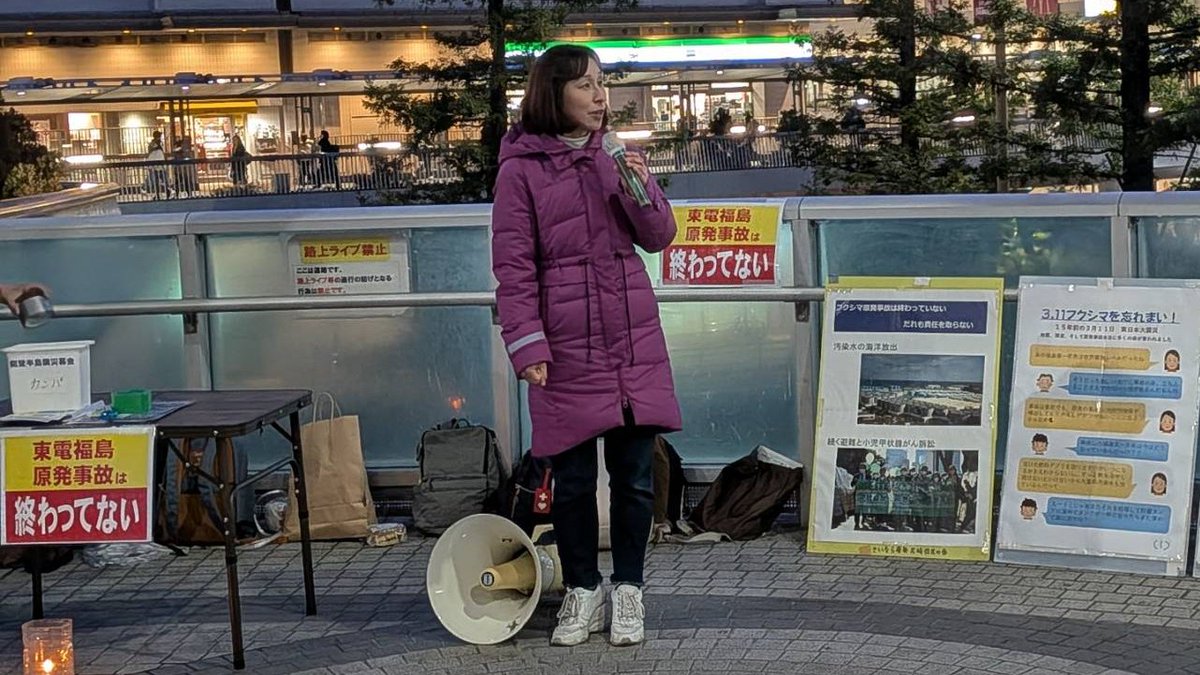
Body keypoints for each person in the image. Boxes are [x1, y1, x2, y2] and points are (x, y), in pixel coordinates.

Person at [491, 44, 681, 648]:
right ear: (554, 94)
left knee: (634, 478)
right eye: (585, 86)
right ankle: (581, 589)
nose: (600, 97)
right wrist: (527, 346)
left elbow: (659, 237)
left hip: (631, 340)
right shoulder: (520, 169)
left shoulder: (615, 157)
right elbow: (513, 268)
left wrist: (640, 187)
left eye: (602, 84)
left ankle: (629, 590)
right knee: (571, 482)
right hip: (564, 347)